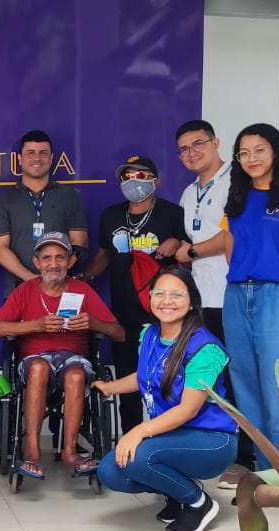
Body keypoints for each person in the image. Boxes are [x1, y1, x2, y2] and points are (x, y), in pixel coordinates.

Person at [174, 123, 279, 469]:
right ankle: (265, 475)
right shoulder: (240, 196)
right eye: (244, 153)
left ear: (276, 151)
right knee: (246, 392)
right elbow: (231, 246)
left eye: (260, 150)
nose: (251, 159)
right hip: (237, 294)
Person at [90, 268, 236, 531]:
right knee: (110, 470)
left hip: (213, 440)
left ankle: (198, 503)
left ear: (191, 300)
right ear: (149, 298)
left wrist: (137, 431)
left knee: (137, 458)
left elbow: (188, 409)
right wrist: (109, 388)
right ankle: (176, 493)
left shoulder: (205, 348)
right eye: (160, 293)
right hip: (175, 434)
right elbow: (146, 375)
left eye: (177, 294)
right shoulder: (149, 335)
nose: (167, 300)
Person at [0, 231, 123, 480]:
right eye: (47, 257)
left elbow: (119, 334)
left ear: (70, 262)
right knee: (39, 367)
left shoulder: (83, 290)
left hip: (74, 357)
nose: (53, 263)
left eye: (60, 257)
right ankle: (32, 451)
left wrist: (94, 323)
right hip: (33, 359)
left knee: (75, 374)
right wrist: (33, 325)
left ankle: (70, 452)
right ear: (37, 262)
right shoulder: (25, 291)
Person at [174, 119, 256, 488]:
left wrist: (189, 250)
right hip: (200, 298)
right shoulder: (189, 192)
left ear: (216, 142)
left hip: (230, 295)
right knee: (209, 376)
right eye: (184, 149)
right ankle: (211, 452)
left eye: (198, 144)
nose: (191, 153)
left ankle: (245, 459)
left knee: (239, 378)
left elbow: (230, 235)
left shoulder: (236, 182)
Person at [83, 154, 189, 434]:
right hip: (123, 313)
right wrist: (85, 278)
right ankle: (131, 440)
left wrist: (177, 241)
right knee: (129, 380)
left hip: (162, 314)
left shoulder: (173, 213)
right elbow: (103, 255)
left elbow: (189, 256)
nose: (134, 182)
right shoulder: (111, 215)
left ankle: (166, 437)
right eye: (127, 177)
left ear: (157, 180)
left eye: (141, 176)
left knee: (167, 378)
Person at [0, 130, 89, 294]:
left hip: (61, 289)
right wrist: (34, 281)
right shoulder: (3, 201)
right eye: (30, 153)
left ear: (51, 158)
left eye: (43, 153)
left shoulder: (70, 197)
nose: (37, 158)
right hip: (18, 291)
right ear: (20, 159)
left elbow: (80, 243)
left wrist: (54, 276)